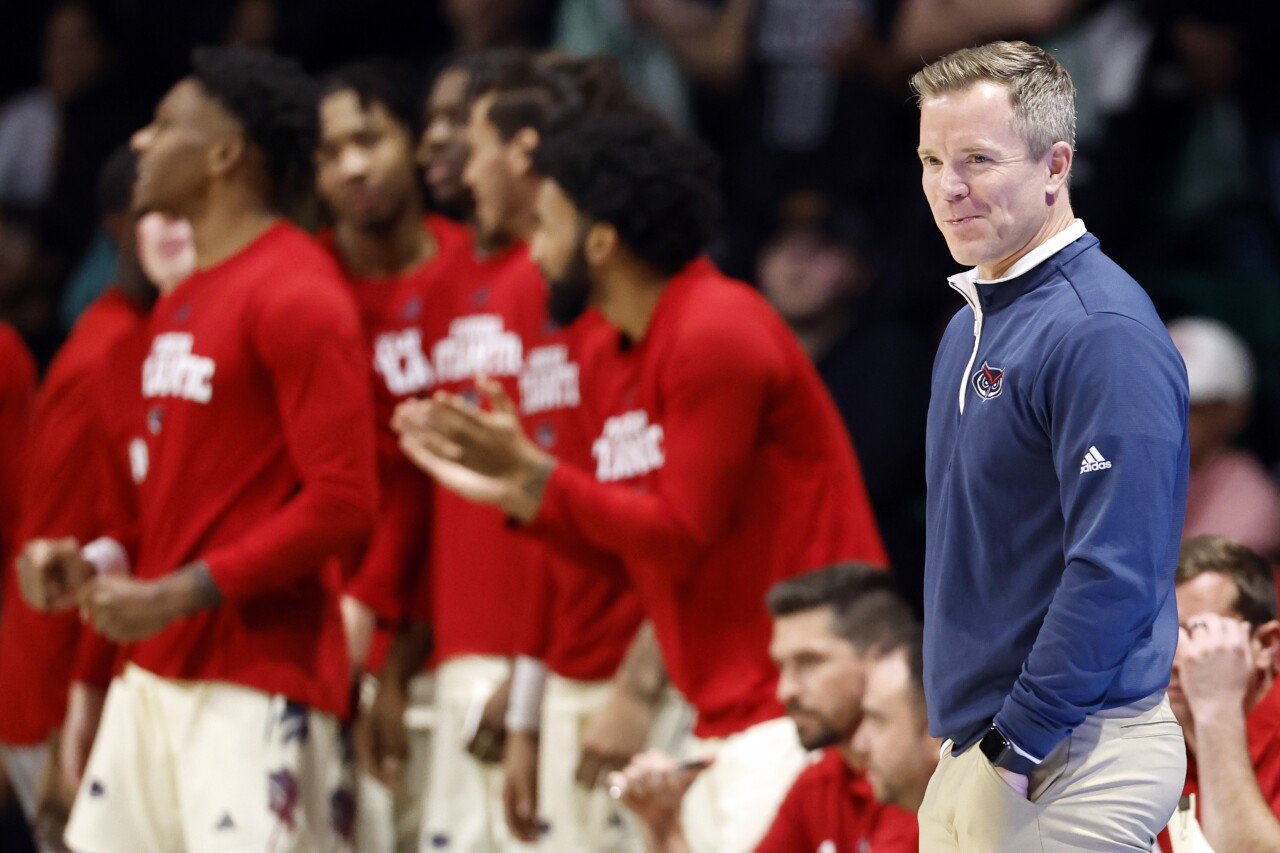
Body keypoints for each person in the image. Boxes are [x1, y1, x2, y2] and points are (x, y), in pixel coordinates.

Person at [394, 110, 887, 852]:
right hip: (719, 713)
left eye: (548, 227)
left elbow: (680, 535)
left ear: (600, 240)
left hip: (791, 714)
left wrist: (534, 475)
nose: (533, 253)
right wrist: (516, 496)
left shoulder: (715, 327)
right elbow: (639, 558)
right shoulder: (610, 352)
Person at [17, 45, 378, 852]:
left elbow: (345, 499)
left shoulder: (298, 288)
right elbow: (179, 507)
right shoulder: (183, 303)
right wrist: (96, 562)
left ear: (224, 155)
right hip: (157, 670)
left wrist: (182, 590)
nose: (142, 142)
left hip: (258, 677)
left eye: (167, 123)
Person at [913, 40, 1189, 850]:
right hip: (991, 746)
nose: (948, 187)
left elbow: (1116, 568)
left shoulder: (1099, 332)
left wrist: (1017, 743)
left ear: (1055, 165)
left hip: (1069, 748)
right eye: (931, 159)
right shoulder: (972, 322)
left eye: (977, 159)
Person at [313, 59, 478, 853]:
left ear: (412, 142)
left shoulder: (473, 269)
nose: (351, 164)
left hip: (461, 629)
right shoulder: (305, 289)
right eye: (327, 150)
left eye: (369, 138)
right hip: (332, 637)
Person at [0, 146, 158, 853]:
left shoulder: (129, 340)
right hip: (58, 695)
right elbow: (55, 545)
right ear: (124, 225)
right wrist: (70, 715)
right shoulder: (110, 355)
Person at [613, 563, 921, 852]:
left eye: (809, 662)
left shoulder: (915, 781)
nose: (785, 690)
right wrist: (665, 828)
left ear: (881, 657)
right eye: (782, 666)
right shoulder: (822, 780)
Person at [1158, 535, 1280, 852]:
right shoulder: (1145, 737)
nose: (1170, 659)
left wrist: (1216, 710)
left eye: (1197, 631)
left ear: (1266, 644)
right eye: (1162, 633)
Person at [1168, 317, 1280, 562]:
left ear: (1233, 412)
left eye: (1193, 406)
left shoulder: (1250, 499)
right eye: (1161, 400)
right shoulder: (1123, 470)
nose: (1172, 416)